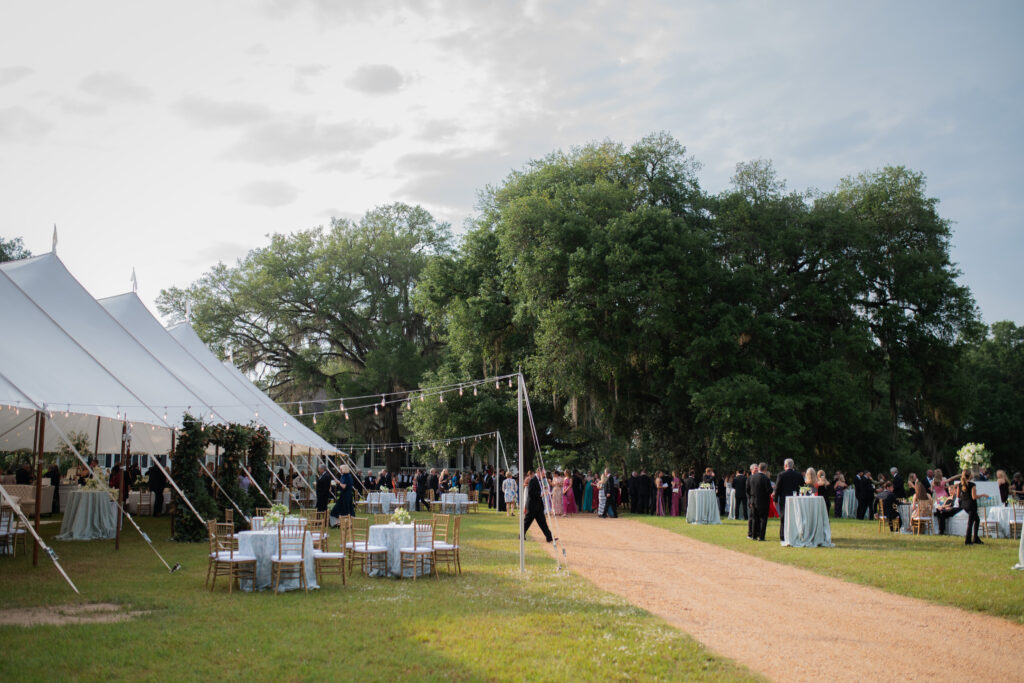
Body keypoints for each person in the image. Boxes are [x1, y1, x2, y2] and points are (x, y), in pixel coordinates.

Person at [773, 458, 803, 542]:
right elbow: (803, 487)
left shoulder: (781, 475)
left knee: (783, 518)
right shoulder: (799, 475)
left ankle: (783, 536)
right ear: (793, 465)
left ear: (785, 465)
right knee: (795, 517)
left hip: (784, 500)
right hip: (795, 499)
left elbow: (777, 488)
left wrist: (775, 500)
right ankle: (795, 535)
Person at [523, 470, 553, 542]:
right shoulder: (532, 480)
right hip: (532, 506)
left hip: (539, 506)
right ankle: (521, 536)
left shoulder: (541, 480)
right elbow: (530, 492)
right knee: (527, 522)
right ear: (539, 472)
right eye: (543, 473)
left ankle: (549, 538)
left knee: (543, 523)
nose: (544, 475)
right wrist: (541, 494)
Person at [960, 469, 988, 545]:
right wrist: (983, 495)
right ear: (970, 475)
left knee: (977, 519)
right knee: (971, 522)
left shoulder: (961, 484)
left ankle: (975, 537)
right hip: (971, 505)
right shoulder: (972, 485)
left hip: (964, 504)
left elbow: (959, 495)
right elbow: (974, 497)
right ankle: (968, 540)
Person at [747, 462, 772, 541]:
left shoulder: (751, 478)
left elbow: (748, 489)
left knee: (754, 518)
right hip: (763, 501)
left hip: (753, 500)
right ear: (765, 469)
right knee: (763, 519)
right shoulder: (765, 479)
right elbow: (769, 490)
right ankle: (761, 536)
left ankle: (754, 535)